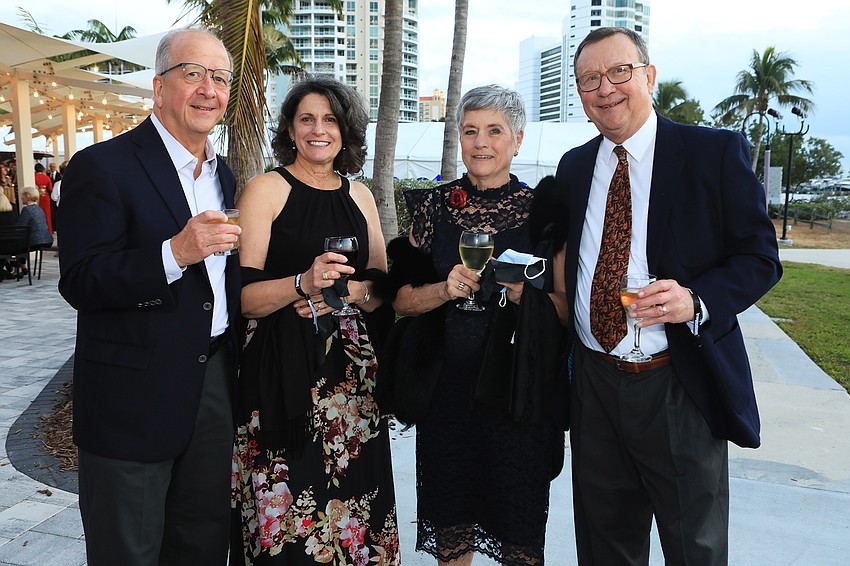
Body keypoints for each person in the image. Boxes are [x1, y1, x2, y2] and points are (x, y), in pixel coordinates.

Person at [554, 27, 782, 566]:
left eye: (619, 72)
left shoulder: (713, 153)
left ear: (649, 77)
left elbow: (760, 258)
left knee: (693, 546)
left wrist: (695, 300)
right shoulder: (574, 167)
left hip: (678, 379)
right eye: (589, 79)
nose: (605, 88)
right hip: (594, 382)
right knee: (604, 543)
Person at [58, 27, 241, 566]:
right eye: (193, 74)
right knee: (129, 553)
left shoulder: (223, 176)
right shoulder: (101, 166)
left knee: (202, 545)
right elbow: (81, 280)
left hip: (211, 385)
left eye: (220, 78)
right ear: (159, 87)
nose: (209, 89)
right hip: (130, 400)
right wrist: (174, 254)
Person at [390, 85, 567, 566]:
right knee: (453, 533)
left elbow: (568, 306)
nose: (481, 142)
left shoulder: (545, 212)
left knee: (520, 538)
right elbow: (401, 302)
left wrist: (521, 296)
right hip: (447, 396)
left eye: (494, 131)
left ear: (518, 139)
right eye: (470, 131)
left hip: (519, 396)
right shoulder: (430, 208)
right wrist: (444, 290)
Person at [230, 76, 399, 565]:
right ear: (290, 129)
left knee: (356, 518)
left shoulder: (361, 196)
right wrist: (301, 284)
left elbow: (380, 289)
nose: (318, 130)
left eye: (330, 120)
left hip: (352, 387)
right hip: (280, 378)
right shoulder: (266, 189)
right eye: (307, 119)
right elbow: (241, 298)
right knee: (286, 521)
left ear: (346, 131)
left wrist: (348, 293)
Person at [34, 163, 53, 233]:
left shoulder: (34, 177)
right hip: (45, 197)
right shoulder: (46, 177)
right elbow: (50, 188)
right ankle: (49, 230)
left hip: (36, 197)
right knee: (47, 215)